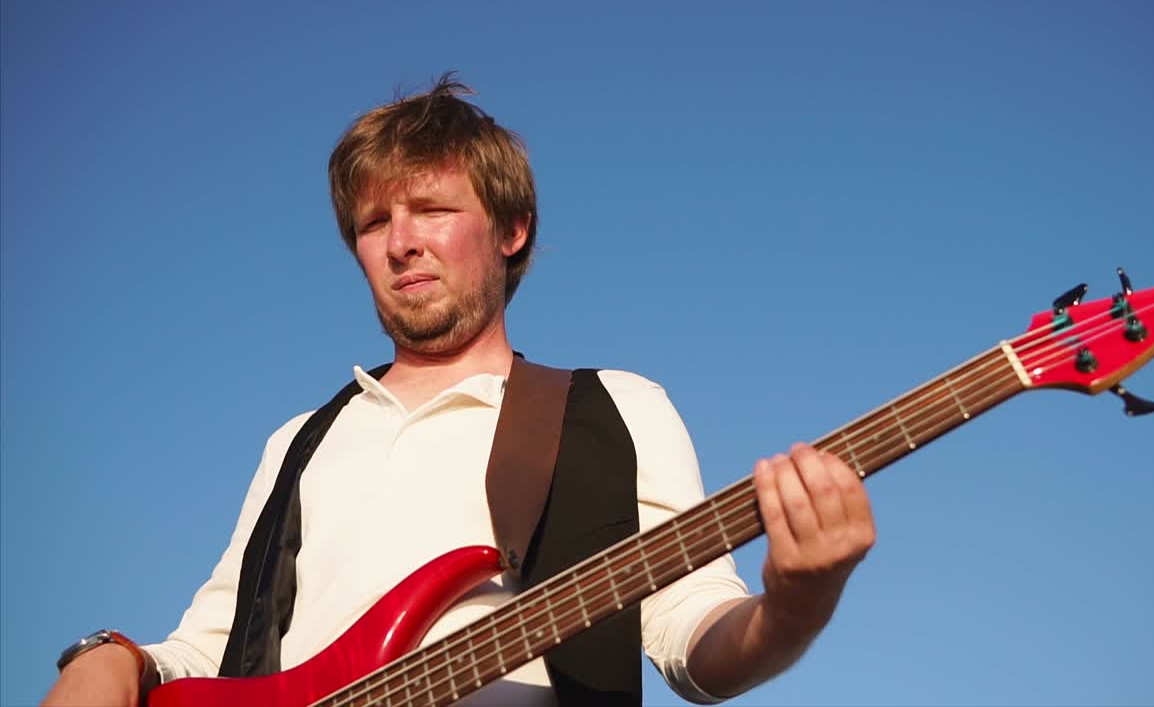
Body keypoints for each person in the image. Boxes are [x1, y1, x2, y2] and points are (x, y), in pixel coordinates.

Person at [42, 74, 876, 707]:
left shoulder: (614, 410)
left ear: (511, 231)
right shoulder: (300, 441)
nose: (401, 242)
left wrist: (796, 604)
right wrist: (111, 655)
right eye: (374, 223)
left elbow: (693, 632)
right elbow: (214, 647)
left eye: (433, 209)